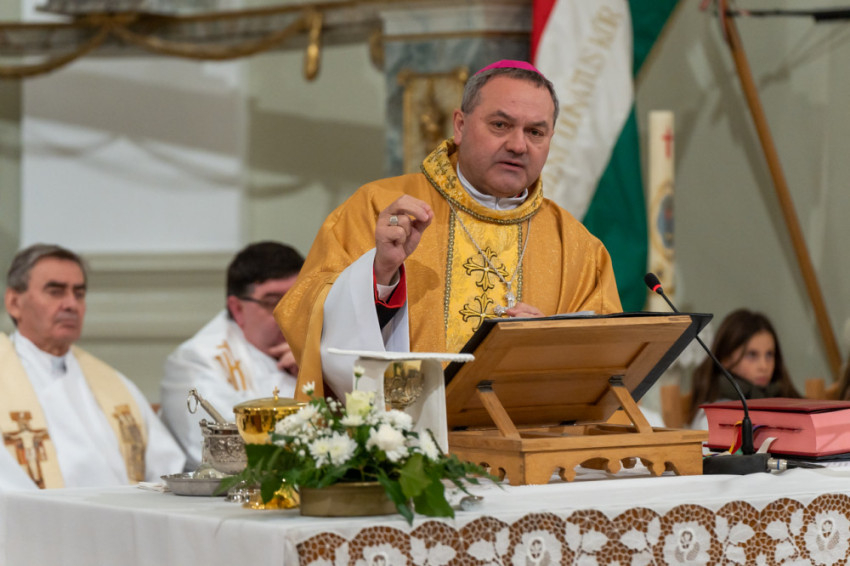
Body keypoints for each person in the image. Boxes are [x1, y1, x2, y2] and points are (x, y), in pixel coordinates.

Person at [275, 60, 622, 401]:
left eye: (535, 132)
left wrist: (550, 346)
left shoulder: (579, 247)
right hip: (406, 430)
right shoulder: (379, 207)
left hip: (525, 432)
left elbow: (608, 367)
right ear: (460, 125)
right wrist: (379, 274)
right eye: (500, 125)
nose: (518, 145)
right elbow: (304, 315)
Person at [0, 244, 185, 489]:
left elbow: (167, 470)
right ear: (14, 302)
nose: (71, 304)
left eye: (79, 294)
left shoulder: (114, 385)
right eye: (55, 292)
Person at [159, 241, 304, 470]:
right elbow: (226, 453)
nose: (289, 314)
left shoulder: (317, 351)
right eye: (273, 302)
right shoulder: (196, 361)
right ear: (237, 309)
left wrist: (312, 370)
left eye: (298, 300)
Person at [688, 308, 801, 429]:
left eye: (769, 355)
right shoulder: (712, 417)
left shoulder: (786, 399)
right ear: (725, 359)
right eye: (752, 355)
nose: (764, 366)